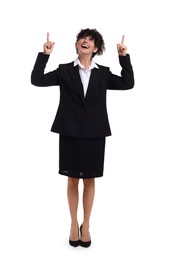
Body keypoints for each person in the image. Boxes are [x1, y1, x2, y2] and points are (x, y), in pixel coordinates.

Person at [31, 28, 134, 248]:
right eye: (82, 38)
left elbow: (128, 83)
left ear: (96, 48)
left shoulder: (103, 73)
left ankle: (86, 225)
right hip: (69, 132)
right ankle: (72, 224)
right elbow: (37, 80)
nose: (85, 41)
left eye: (90, 40)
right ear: (77, 44)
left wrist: (123, 57)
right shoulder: (65, 70)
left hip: (95, 134)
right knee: (72, 180)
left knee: (89, 180)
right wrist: (45, 55)